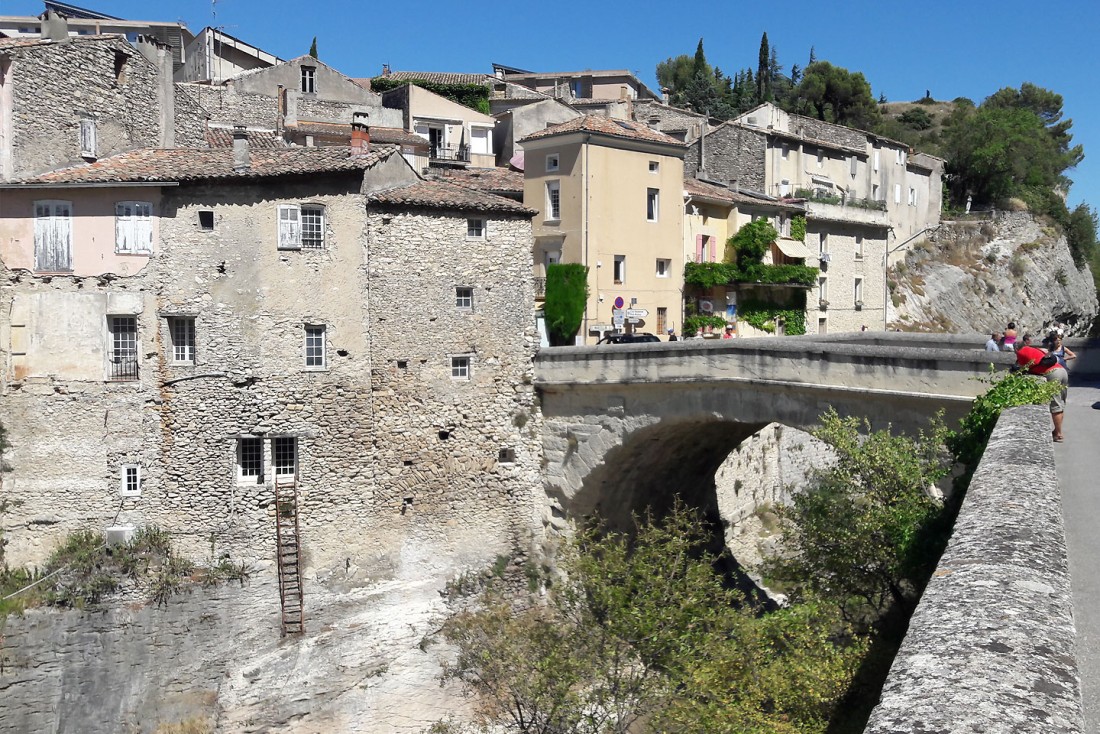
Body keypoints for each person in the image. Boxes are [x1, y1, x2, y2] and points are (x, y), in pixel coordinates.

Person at [1014, 334, 1069, 442]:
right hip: (1062, 371)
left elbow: (1020, 369)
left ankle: (1058, 434)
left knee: (1055, 405)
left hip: (1052, 374)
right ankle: (1056, 431)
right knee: (1060, 404)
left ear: (1016, 349)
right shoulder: (1035, 349)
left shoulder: (1020, 353)